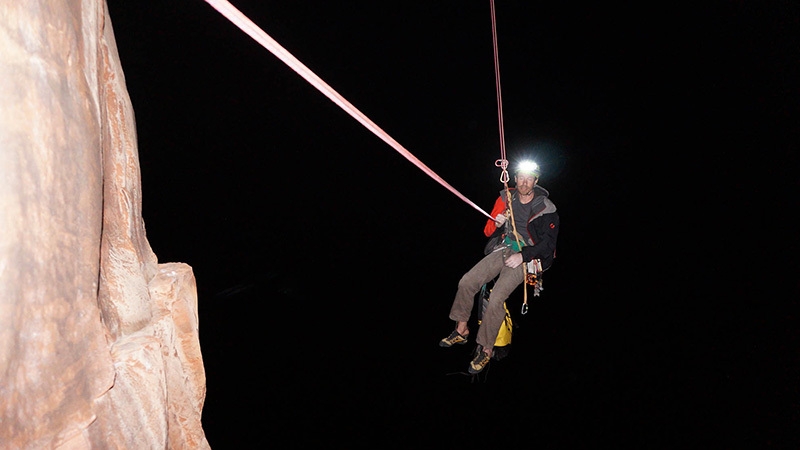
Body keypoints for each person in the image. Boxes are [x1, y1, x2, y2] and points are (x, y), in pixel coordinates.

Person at [439, 159, 559, 374]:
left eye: (529, 178)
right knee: (467, 281)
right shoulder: (506, 198)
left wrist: (523, 256)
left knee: (496, 299)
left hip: (527, 256)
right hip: (504, 247)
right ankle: (461, 329)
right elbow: (488, 231)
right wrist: (497, 224)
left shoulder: (546, 208)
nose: (524, 182)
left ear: (536, 181)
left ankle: (485, 349)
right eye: (520, 177)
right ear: (515, 179)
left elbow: (548, 245)